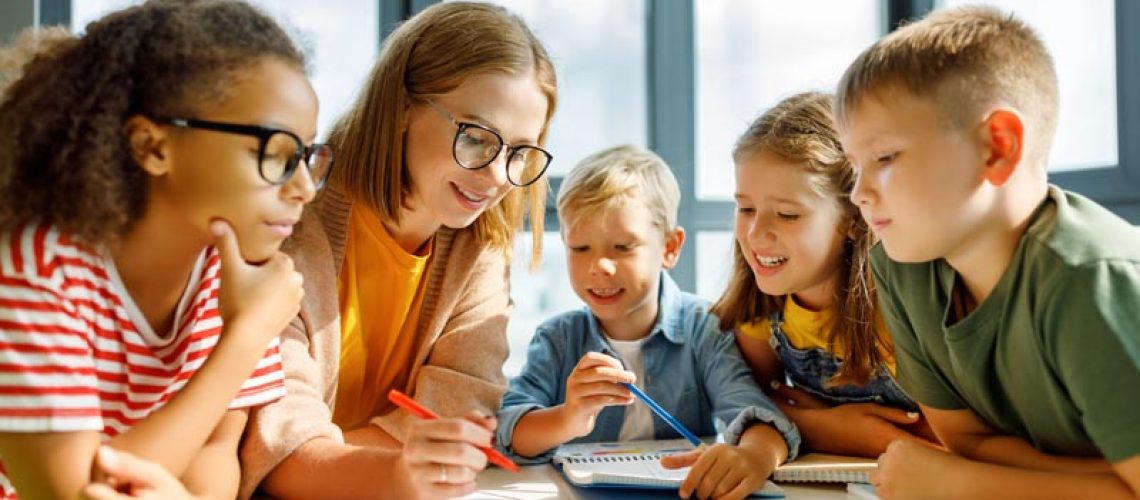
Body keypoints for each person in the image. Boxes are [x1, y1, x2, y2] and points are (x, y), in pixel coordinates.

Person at [0, 1, 329, 498]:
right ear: (152, 147)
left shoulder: (236, 268)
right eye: (276, 153)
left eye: (306, 155)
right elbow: (73, 495)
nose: (304, 187)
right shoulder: (35, 269)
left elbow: (215, 455)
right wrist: (245, 335)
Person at [240, 2, 558, 499]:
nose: (498, 177)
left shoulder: (480, 250)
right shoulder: (292, 219)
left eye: (519, 153)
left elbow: (461, 412)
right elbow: (278, 453)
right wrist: (387, 465)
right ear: (403, 107)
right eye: (476, 138)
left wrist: (330, 458)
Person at [836, 6, 1140, 498]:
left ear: (997, 147)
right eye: (856, 165)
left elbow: (964, 464)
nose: (858, 192)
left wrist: (962, 485)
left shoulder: (1090, 279)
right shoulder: (901, 270)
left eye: (885, 157)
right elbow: (968, 440)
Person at [498, 145, 799, 500]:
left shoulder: (705, 328)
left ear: (670, 248)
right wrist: (567, 418)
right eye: (580, 248)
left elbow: (756, 415)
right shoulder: (557, 339)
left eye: (623, 247)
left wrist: (753, 455)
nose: (599, 266)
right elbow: (508, 429)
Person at [711, 92, 935, 457]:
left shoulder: (901, 305)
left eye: (787, 215)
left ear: (852, 217)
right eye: (746, 208)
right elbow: (747, 401)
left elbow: (940, 437)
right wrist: (829, 427)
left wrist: (807, 422)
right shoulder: (761, 306)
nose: (754, 234)